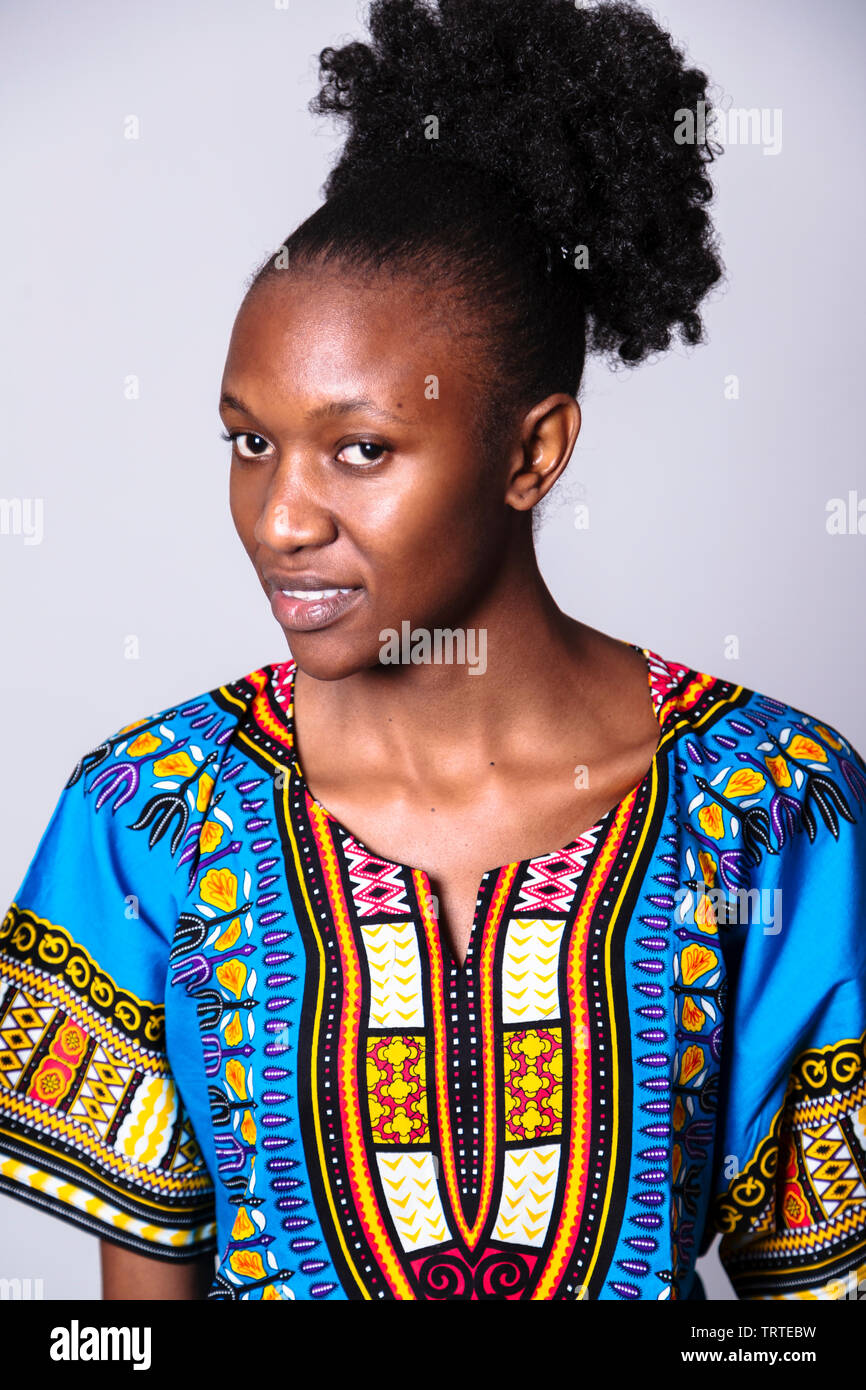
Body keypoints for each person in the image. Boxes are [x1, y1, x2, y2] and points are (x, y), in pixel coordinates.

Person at [1, 0, 864, 1303]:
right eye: (248, 441)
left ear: (531, 452)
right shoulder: (146, 818)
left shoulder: (772, 804)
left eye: (359, 448)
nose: (280, 518)